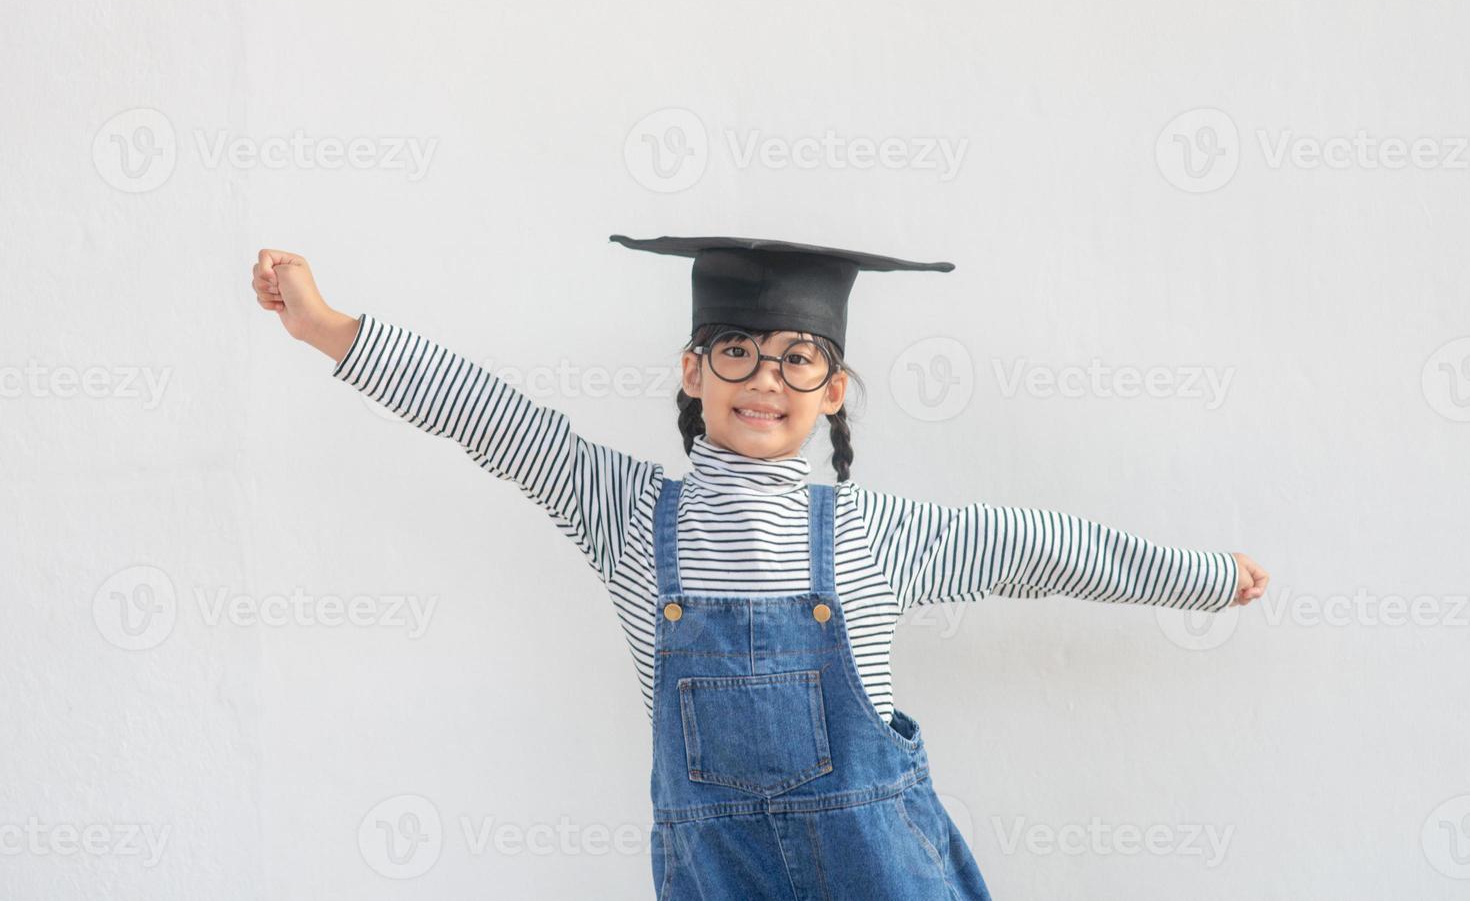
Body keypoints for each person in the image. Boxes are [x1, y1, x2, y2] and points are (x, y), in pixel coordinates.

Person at [250, 237, 1269, 900]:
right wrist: (328, 326)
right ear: (692, 372)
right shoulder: (625, 515)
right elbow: (491, 416)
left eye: (797, 355)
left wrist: (1203, 576)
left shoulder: (877, 533)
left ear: (834, 389)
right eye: (736, 350)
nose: (765, 377)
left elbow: (1048, 548)